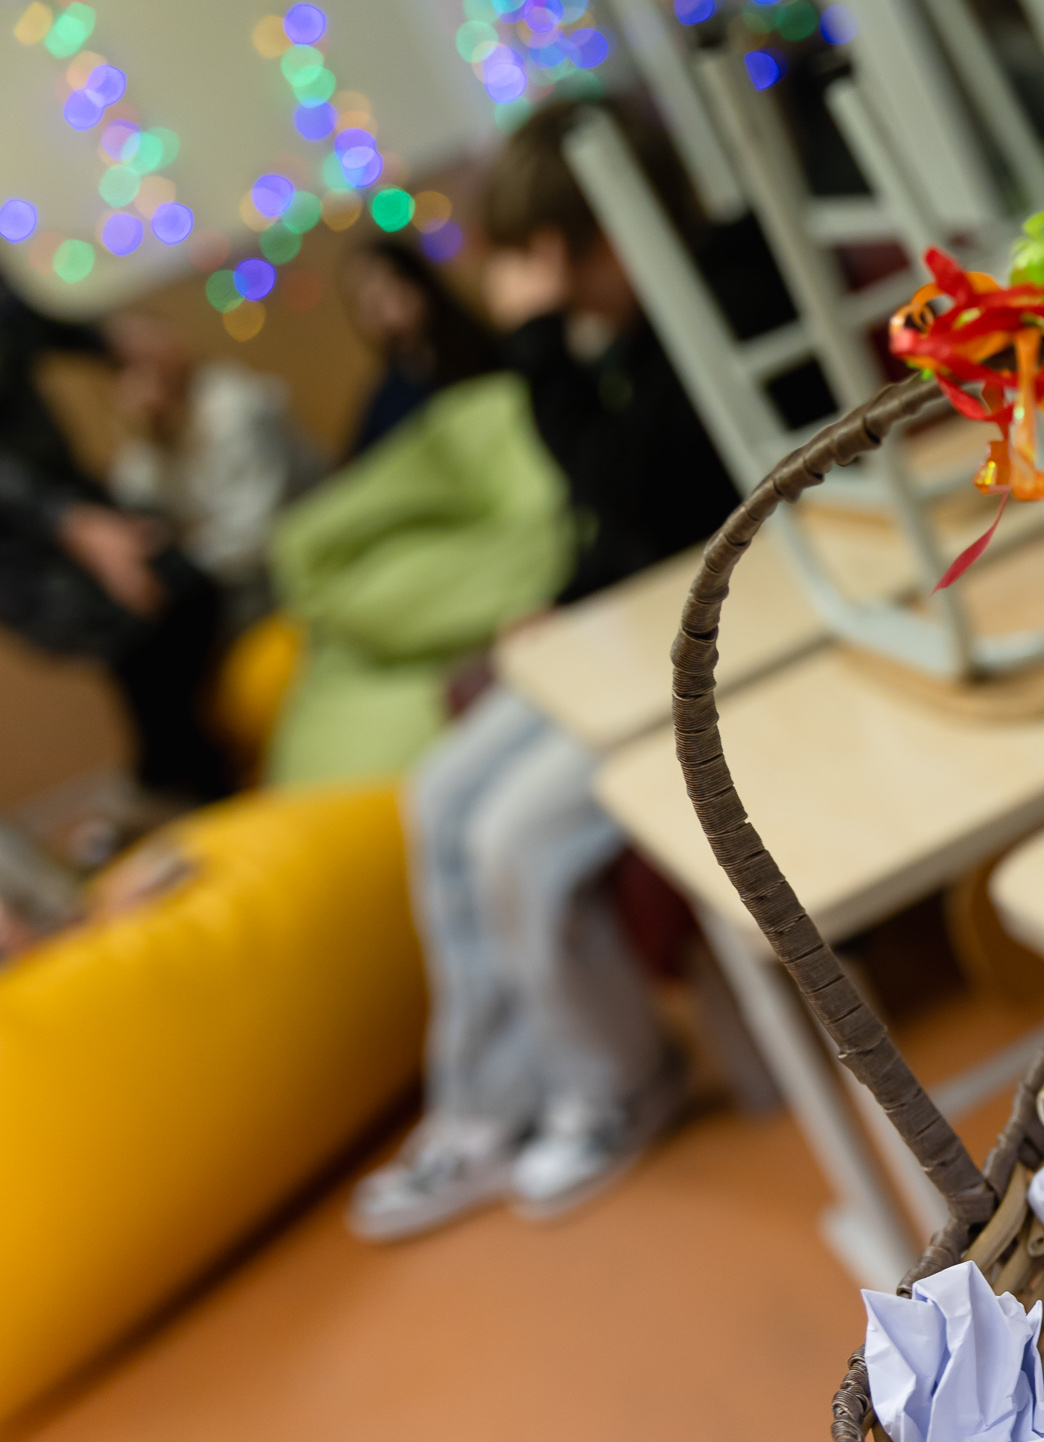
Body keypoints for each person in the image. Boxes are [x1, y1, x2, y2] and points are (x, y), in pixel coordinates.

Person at [349, 98, 833, 1240]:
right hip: (645, 626)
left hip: (743, 630)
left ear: (596, 236)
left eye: (545, 257)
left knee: (512, 833)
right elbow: (623, 524)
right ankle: (486, 1104)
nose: (538, 288)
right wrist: (561, 604)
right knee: (439, 795)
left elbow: (649, 492)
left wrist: (534, 346)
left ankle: (614, 1083)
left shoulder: (728, 296)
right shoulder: (626, 333)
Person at [0, 200, 231, 803]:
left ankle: (165, 780)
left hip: (47, 474)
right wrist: (71, 524)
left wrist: (110, 339)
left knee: (179, 591)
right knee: (137, 619)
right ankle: (178, 787)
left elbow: (17, 321)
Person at [107, 313, 322, 635]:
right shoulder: (144, 450)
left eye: (147, 358)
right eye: (126, 366)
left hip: (306, 552)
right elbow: (135, 508)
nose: (143, 377)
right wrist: (148, 434)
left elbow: (255, 537)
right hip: (240, 587)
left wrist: (187, 546)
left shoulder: (233, 403)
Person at [341, 239, 500, 457]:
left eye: (389, 281)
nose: (377, 296)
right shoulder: (386, 400)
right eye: (362, 296)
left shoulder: (482, 348)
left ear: (415, 279)